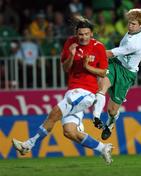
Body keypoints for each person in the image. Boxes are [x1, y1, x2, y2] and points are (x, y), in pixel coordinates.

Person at [12, 16, 113, 164]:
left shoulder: (99, 47)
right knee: (70, 132)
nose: (83, 37)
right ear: (76, 34)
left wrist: (87, 67)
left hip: (86, 93)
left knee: (54, 113)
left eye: (86, 34)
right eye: (80, 34)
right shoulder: (70, 43)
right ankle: (102, 148)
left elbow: (104, 72)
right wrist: (71, 56)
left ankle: (28, 145)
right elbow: (65, 68)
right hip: (72, 90)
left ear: (91, 33)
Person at [92, 8, 141, 140]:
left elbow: (110, 53)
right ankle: (96, 117)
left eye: (133, 24)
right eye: (129, 22)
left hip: (127, 74)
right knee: (102, 86)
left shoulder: (133, 44)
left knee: (112, 110)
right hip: (115, 63)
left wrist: (91, 51)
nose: (130, 25)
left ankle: (110, 123)